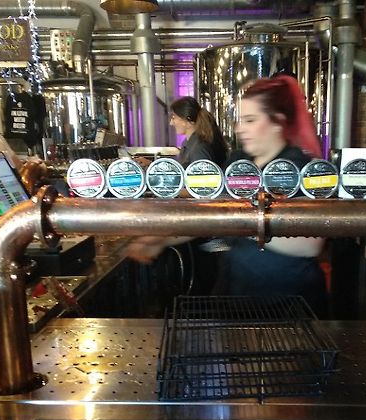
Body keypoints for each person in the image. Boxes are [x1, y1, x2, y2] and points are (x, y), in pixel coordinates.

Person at [127, 75, 328, 316]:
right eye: (239, 120)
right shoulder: (239, 162)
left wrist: (241, 221)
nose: (239, 129)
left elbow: (310, 244)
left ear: (278, 122)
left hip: (290, 305)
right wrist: (163, 239)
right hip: (240, 296)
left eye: (250, 120)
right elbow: (213, 213)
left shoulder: (300, 167)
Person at [170, 96, 228, 167]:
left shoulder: (199, 149)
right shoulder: (190, 144)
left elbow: (204, 173)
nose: (171, 123)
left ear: (187, 121)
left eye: (174, 118)